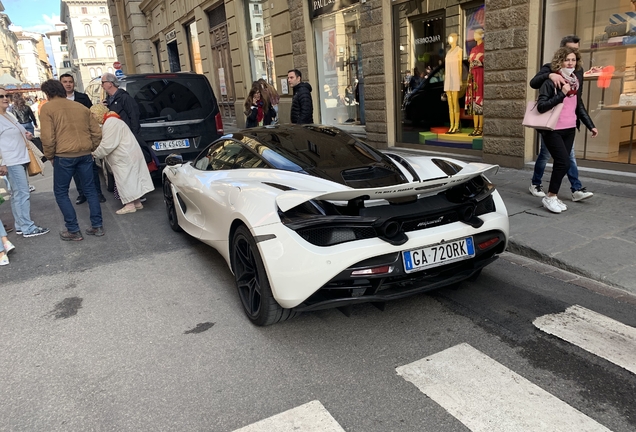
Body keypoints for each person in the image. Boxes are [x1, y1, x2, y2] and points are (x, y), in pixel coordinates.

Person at [529, 34, 593, 202]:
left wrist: (589, 124)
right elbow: (534, 83)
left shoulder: (577, 73)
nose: (572, 59)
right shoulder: (549, 68)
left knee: (565, 158)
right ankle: (536, 184)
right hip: (551, 125)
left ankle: (575, 188)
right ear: (561, 51)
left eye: (576, 53)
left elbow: (578, 101)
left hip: (569, 125)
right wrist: (550, 75)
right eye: (569, 53)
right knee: (547, 156)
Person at [39, 79, 104, 240]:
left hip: (64, 155)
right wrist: (91, 148)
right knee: (90, 190)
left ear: (48, 93)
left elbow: (47, 137)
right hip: (84, 153)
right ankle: (97, 226)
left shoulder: (47, 108)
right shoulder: (81, 107)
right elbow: (97, 133)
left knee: (61, 192)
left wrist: (50, 155)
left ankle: (73, 230)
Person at [0, 86, 49, 238]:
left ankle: (21, 225)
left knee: (17, 194)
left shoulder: (8, 115)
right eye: (0, 97)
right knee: (22, 193)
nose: (5, 99)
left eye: (6, 95)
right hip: (11, 161)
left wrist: (26, 134)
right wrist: (1, 162)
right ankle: (28, 227)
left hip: (20, 157)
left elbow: (17, 132)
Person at [90, 104, 154, 214]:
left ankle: (129, 205)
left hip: (123, 157)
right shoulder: (114, 120)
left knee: (125, 180)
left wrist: (94, 154)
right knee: (133, 178)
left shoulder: (110, 123)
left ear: (96, 114)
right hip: (129, 154)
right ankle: (137, 202)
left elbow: (107, 145)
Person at [60, 73, 105, 205]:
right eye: (65, 82)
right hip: (68, 140)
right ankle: (82, 194)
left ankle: (98, 193)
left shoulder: (82, 98)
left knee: (91, 168)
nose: (68, 84)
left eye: (70, 81)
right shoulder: (59, 101)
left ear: (74, 83)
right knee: (75, 171)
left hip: (84, 137)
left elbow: (91, 116)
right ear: (61, 84)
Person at [466, 29, 484, 136]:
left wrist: (479, 63)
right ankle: (475, 127)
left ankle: (480, 128)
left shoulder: (484, 48)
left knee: (479, 101)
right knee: (473, 101)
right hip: (472, 75)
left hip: (480, 74)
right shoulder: (473, 49)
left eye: (476, 34)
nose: (474, 35)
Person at [444, 33, 463, 134]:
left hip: (455, 77)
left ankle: (456, 125)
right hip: (448, 79)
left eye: (451, 37)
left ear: (455, 39)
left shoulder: (459, 50)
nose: (449, 39)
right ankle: (451, 125)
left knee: (455, 103)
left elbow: (460, 66)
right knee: (449, 104)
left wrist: (459, 79)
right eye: (449, 37)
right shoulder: (448, 52)